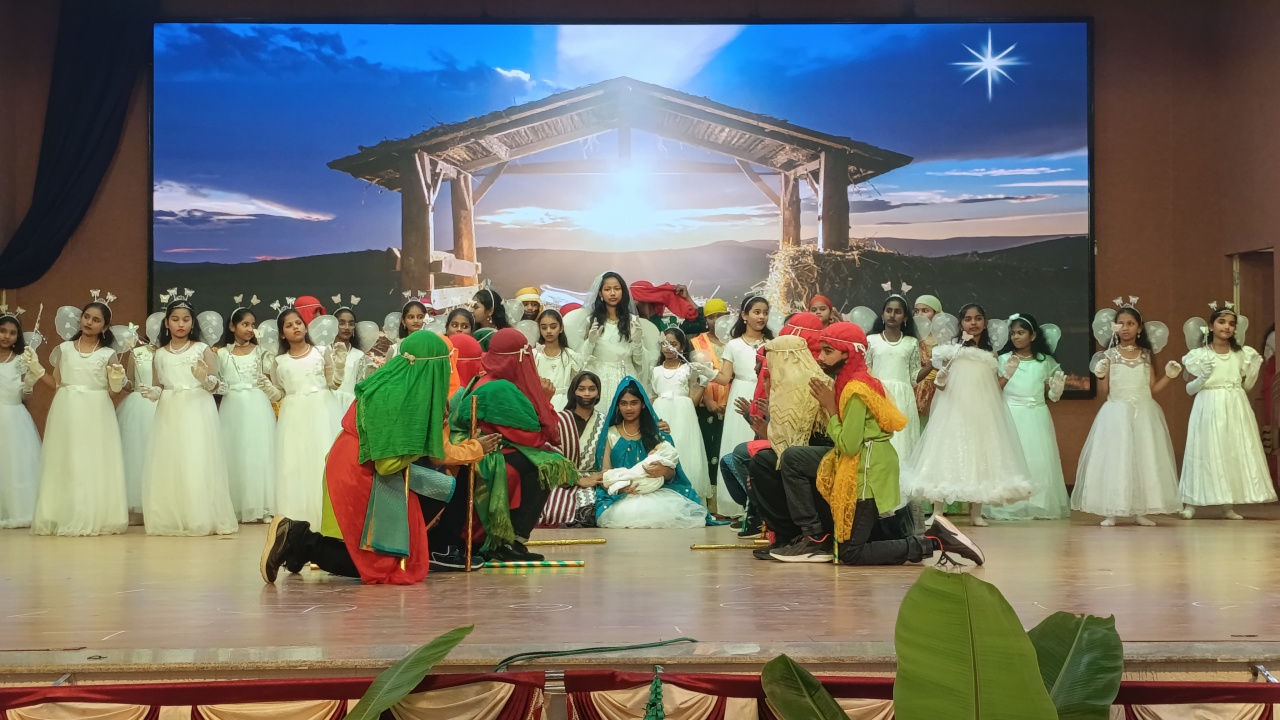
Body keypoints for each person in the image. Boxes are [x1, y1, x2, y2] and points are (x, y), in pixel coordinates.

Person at [260, 330, 499, 584]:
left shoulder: (394, 380)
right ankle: (297, 538)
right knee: (378, 564)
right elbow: (391, 463)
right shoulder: (405, 397)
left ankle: (296, 551)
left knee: (436, 494)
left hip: (355, 460)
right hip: (363, 470)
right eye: (446, 363)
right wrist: (454, 444)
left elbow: (430, 453)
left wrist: (460, 445)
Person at [762, 323, 983, 566]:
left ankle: (934, 541)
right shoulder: (849, 381)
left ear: (848, 353)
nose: (821, 357)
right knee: (794, 459)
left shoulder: (856, 390)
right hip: (863, 463)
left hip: (868, 471)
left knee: (850, 553)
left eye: (828, 351)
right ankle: (814, 536)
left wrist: (830, 408)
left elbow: (848, 445)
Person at [450, 328, 578, 560]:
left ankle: (508, 540)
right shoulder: (499, 388)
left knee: (537, 459)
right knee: (544, 465)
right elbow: (535, 435)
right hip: (483, 451)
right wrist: (545, 399)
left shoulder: (487, 376)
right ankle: (509, 540)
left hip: (483, 446)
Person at [900, 303, 1032, 526]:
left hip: (981, 412)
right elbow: (941, 385)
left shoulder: (990, 353)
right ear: (960, 323)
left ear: (985, 322)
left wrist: (1008, 375)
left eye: (978, 318)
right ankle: (938, 512)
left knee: (981, 457)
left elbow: (994, 388)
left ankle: (976, 513)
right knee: (943, 454)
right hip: (953, 410)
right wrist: (940, 377)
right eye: (968, 319)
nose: (973, 323)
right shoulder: (952, 350)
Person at [1072, 303, 1183, 526]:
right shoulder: (1109, 355)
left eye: (1130, 323)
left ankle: (1141, 510)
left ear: (1139, 328)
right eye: (1121, 323)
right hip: (1116, 413)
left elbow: (1151, 388)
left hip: (1143, 412)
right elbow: (1104, 392)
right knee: (1116, 459)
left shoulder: (1146, 355)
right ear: (1114, 327)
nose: (1125, 328)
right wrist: (1101, 375)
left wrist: (1169, 376)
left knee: (1143, 459)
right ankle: (1111, 510)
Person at [30, 297, 129, 536]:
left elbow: (113, 390)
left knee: (92, 460)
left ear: (105, 327)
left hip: (96, 409)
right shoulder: (64, 349)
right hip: (66, 407)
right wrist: (37, 369)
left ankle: (93, 513)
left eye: (96, 320)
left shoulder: (108, 354)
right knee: (65, 459)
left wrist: (117, 383)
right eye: (86, 317)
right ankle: (60, 513)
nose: (89, 322)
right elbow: (56, 383)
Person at [141, 298, 238, 536]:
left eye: (185, 319)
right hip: (169, 409)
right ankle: (171, 516)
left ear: (193, 323)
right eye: (175, 319)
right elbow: (159, 385)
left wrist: (205, 379)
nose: (180, 324)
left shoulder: (202, 349)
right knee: (171, 460)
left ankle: (200, 516)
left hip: (197, 407)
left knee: (196, 458)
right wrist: (153, 393)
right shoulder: (159, 354)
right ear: (166, 323)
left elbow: (218, 386)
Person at [1178, 303, 1277, 519]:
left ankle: (1227, 505)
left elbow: (1246, 386)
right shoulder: (1199, 355)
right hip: (1208, 404)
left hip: (1234, 405)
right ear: (1211, 326)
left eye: (1231, 324)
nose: (1227, 327)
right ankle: (1191, 503)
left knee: (1230, 451)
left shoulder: (1241, 354)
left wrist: (1253, 372)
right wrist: (1203, 378)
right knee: (1203, 451)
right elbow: (1190, 389)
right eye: (1221, 322)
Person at [260, 306, 343, 527]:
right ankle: (299, 518)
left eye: (298, 323)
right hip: (294, 415)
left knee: (323, 457)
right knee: (295, 463)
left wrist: (340, 368)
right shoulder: (280, 361)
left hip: (322, 410)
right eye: (289, 325)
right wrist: (268, 389)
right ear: (282, 334)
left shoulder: (321, 352)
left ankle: (329, 514)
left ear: (305, 327)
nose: (295, 327)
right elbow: (280, 393)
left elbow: (333, 383)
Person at [590, 377, 709, 529]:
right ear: (617, 406)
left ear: (643, 404)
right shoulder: (610, 434)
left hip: (656, 492)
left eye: (634, 403)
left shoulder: (657, 432)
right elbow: (604, 473)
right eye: (623, 403)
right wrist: (619, 488)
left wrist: (664, 471)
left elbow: (673, 473)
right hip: (622, 494)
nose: (628, 408)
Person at [985, 313, 1070, 521]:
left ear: (1033, 336)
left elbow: (1050, 394)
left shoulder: (1045, 362)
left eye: (1021, 333)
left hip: (1037, 415)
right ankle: (1009, 505)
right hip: (1010, 415)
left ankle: (1038, 504)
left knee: (1038, 460)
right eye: (1013, 333)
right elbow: (993, 391)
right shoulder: (1003, 359)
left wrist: (1056, 391)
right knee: (1012, 459)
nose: (1016, 337)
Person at [709, 295, 772, 516]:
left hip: (765, 395)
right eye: (756, 312)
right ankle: (736, 506)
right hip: (741, 393)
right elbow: (724, 378)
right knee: (737, 443)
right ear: (744, 315)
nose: (761, 317)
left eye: (765, 312)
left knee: (760, 445)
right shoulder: (733, 345)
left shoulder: (772, 344)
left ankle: (760, 507)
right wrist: (706, 372)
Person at [216, 306, 277, 523]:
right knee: (234, 451)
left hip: (256, 404)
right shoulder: (221, 354)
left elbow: (271, 378)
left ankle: (262, 505)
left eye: (252, 325)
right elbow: (217, 381)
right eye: (245, 324)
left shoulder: (261, 353)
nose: (250, 329)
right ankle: (236, 505)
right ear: (232, 327)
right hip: (232, 405)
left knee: (257, 451)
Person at [651, 327, 715, 502]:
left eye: (674, 344)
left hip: (684, 413)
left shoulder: (688, 368)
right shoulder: (655, 370)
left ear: (682, 346)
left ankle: (688, 494)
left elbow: (693, 400)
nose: (668, 348)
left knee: (685, 449)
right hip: (661, 412)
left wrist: (703, 384)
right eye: (665, 344)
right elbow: (652, 396)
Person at [538, 371, 608, 527]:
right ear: (573, 392)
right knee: (552, 510)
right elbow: (550, 455)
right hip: (562, 479)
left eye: (592, 389)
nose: (587, 393)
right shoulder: (560, 419)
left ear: (598, 393)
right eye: (581, 389)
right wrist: (576, 479)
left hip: (594, 479)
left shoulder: (604, 422)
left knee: (596, 509)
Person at [577, 272, 654, 410]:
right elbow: (583, 359)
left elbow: (638, 361)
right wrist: (590, 341)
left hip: (626, 377)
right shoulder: (592, 321)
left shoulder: (633, 321)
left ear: (623, 292)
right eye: (607, 289)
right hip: (600, 378)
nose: (612, 293)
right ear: (600, 293)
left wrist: (637, 341)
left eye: (617, 289)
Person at [866, 294, 922, 460]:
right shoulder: (871, 340)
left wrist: (933, 364)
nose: (892, 315)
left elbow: (914, 377)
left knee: (902, 442)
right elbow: (866, 371)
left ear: (905, 317)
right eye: (888, 311)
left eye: (897, 312)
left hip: (903, 399)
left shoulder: (911, 342)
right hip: (878, 395)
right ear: (882, 314)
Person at [117, 312, 161, 522]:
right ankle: (138, 505)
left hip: (164, 404)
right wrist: (119, 379)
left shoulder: (171, 353)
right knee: (137, 455)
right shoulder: (137, 352)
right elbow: (130, 384)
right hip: (138, 407)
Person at [0, 306, 40, 528]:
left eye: (12, 333)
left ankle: (16, 510)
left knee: (14, 464)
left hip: (13, 418)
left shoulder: (20, 361)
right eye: (2, 331)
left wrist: (28, 386)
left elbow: (26, 395)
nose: (7, 336)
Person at [691, 298, 730, 492]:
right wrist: (707, 400)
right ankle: (710, 500)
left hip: (733, 407)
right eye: (711, 317)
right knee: (708, 453)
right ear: (706, 320)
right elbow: (693, 376)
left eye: (720, 316)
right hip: (705, 407)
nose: (716, 321)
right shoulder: (696, 343)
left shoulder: (736, 342)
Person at [534, 308, 583, 410]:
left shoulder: (570, 355)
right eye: (544, 328)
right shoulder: (534, 355)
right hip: (538, 402)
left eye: (553, 327)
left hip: (564, 403)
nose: (548, 331)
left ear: (561, 328)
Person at [332, 301, 372, 412]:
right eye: (342, 323)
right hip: (328, 403)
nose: (347, 327)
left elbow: (361, 386)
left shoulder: (358, 355)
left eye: (351, 324)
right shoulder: (325, 352)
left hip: (350, 406)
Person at [912, 295, 943, 423]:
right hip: (914, 391)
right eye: (916, 311)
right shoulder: (911, 338)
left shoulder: (946, 338)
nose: (919, 315)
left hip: (940, 391)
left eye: (925, 311)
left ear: (937, 314)